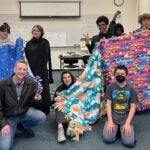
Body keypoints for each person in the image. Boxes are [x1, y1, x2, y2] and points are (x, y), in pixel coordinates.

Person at [0, 60, 46, 150]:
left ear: (26, 71)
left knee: (42, 117)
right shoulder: (3, 85)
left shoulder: (31, 83)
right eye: (19, 69)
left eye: (24, 69)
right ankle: (13, 126)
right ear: (14, 70)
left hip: (23, 111)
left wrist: (37, 99)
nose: (22, 71)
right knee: (4, 147)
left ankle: (23, 126)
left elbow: (34, 103)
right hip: (9, 117)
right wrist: (4, 124)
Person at [102, 65, 138, 147]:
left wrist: (128, 124)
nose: (120, 75)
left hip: (125, 118)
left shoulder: (131, 89)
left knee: (129, 143)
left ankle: (121, 129)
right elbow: (108, 104)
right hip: (113, 118)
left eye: (122, 74)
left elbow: (133, 107)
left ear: (126, 75)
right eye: (118, 73)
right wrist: (110, 121)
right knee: (108, 139)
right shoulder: (110, 87)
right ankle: (116, 128)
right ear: (114, 74)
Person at [25, 25, 53, 115]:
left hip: (41, 71)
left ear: (41, 32)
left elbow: (45, 58)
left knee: (43, 89)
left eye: (37, 31)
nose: (35, 32)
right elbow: (25, 57)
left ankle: (45, 108)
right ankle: (35, 106)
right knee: (32, 89)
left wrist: (39, 73)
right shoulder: (29, 43)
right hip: (31, 71)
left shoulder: (45, 42)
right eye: (34, 30)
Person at [53, 71, 74, 143]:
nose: (67, 79)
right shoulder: (59, 88)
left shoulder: (76, 87)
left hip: (73, 114)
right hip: (63, 115)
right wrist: (56, 99)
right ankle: (60, 130)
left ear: (71, 78)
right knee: (58, 104)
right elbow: (52, 103)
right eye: (64, 78)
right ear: (62, 79)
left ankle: (71, 125)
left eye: (68, 77)